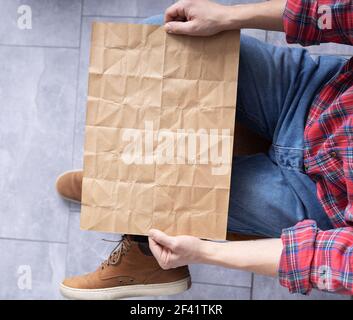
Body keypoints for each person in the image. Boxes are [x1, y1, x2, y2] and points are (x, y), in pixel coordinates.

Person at [57, 0, 353, 299]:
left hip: (317, 196)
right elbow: (340, 11)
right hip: (316, 92)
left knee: (162, 202)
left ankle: (142, 241)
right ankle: (129, 191)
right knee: (158, 37)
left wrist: (205, 252)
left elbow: (334, 261)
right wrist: (229, 16)